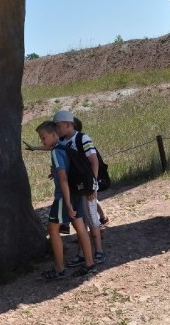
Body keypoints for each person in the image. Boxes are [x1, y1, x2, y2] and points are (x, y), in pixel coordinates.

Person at [35, 121, 97, 279]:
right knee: (80, 226)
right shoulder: (65, 146)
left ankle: (59, 268)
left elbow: (63, 178)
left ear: (53, 134)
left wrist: (67, 203)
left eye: (43, 137)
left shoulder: (56, 152)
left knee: (52, 229)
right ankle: (90, 263)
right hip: (76, 192)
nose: (42, 141)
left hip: (64, 196)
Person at [53, 110, 107, 267]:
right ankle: (83, 253)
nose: (57, 129)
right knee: (80, 222)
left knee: (92, 219)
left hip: (86, 187)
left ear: (68, 124)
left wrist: (93, 185)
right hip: (74, 188)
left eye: (58, 126)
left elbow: (94, 161)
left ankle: (99, 251)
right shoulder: (62, 142)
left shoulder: (83, 138)